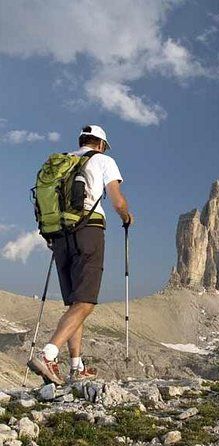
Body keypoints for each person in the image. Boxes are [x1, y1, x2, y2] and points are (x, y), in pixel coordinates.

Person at [28, 125, 133, 385]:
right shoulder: (103, 160)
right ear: (100, 144)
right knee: (85, 302)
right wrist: (127, 217)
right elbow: (117, 200)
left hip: (59, 236)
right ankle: (49, 355)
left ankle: (76, 367)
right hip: (88, 230)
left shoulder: (64, 162)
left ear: (81, 141)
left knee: (75, 303)